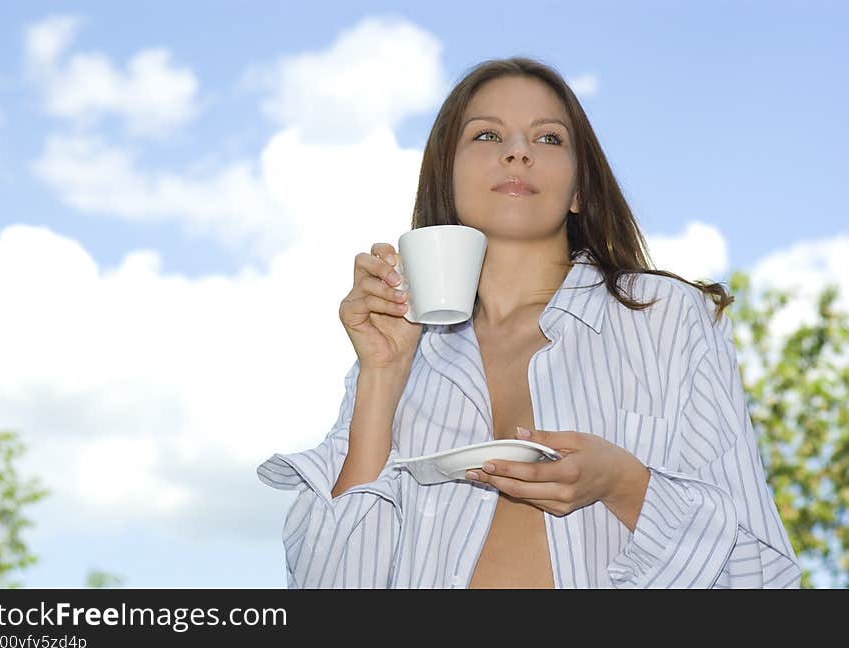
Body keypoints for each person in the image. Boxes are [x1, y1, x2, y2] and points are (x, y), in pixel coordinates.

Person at [256, 56, 801, 588]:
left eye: (547, 139)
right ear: (446, 177)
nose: (517, 153)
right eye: (488, 137)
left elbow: (759, 569)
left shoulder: (669, 320)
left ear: (580, 190)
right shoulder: (399, 349)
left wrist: (623, 482)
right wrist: (381, 377)